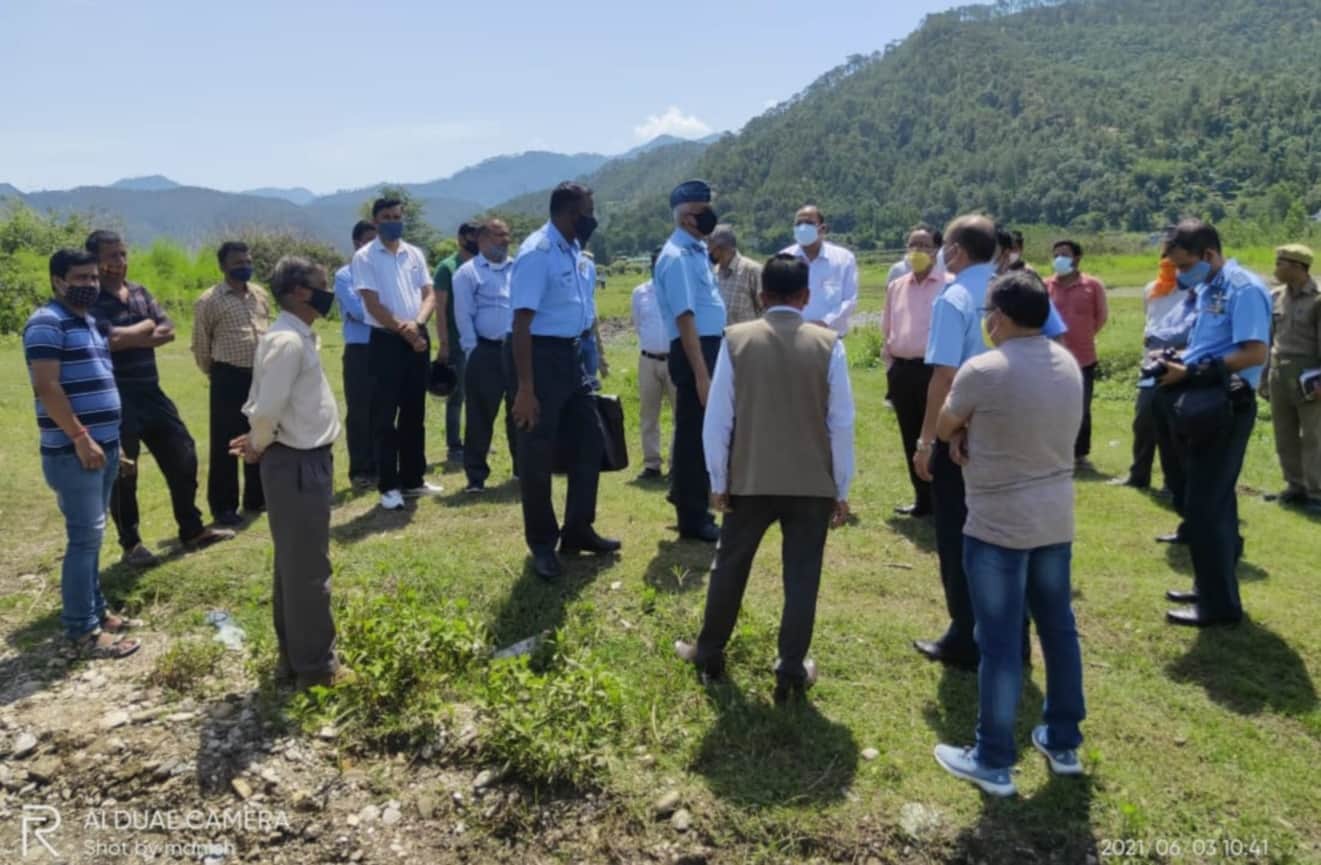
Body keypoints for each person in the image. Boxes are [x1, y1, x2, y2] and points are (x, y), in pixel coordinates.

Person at [931, 269, 1086, 797]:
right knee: (1059, 629)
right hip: (1055, 518)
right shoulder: (1067, 363)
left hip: (997, 523)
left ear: (997, 316)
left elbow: (947, 423)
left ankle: (993, 758)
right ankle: (1063, 740)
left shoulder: (984, 368)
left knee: (997, 643)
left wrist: (963, 434)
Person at [674, 254, 853, 703]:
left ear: (761, 295)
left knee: (729, 566)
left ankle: (709, 652)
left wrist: (718, 480)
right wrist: (842, 488)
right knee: (802, 576)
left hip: (750, 479)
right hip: (812, 484)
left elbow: (718, 420)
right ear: (806, 296)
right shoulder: (829, 344)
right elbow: (841, 424)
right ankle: (791, 668)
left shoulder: (736, 340)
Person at [911, 215, 1067, 670]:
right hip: (1023, 430)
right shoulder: (1018, 289)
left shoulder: (954, 297)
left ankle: (967, 636)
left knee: (961, 536)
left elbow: (944, 376)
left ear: (955, 252)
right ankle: (1014, 637)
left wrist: (927, 440)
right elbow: (1056, 345)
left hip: (965, 438)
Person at [230, 256, 352, 691]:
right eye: (322, 284)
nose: (329, 293)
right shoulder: (288, 342)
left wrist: (259, 438)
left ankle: (295, 659)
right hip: (298, 463)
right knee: (308, 570)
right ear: (300, 291)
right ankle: (318, 669)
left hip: (301, 459)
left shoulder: (296, 336)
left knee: (294, 565)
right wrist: (258, 442)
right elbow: (267, 409)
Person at [86, 230, 232, 564]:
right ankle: (132, 544)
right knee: (125, 471)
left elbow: (168, 330)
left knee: (183, 454)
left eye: (123, 254)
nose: (119, 262)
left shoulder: (139, 292)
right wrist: (144, 329)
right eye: (111, 256)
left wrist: (130, 336)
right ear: (95, 260)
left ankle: (192, 529)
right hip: (115, 396)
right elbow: (108, 341)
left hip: (151, 391)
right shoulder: (90, 300)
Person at [1153, 219, 1271, 628]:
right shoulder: (1209, 287)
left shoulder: (1243, 288)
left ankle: (1220, 605)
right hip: (1203, 403)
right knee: (1213, 504)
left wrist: (1194, 371)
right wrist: (1181, 359)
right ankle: (1210, 588)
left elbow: (1254, 353)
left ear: (1208, 254)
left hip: (1226, 406)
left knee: (1205, 508)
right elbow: (1210, 343)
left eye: (1185, 265)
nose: (1181, 274)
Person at [25, 249, 139, 659]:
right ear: (58, 280)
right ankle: (81, 630)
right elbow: (47, 387)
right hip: (74, 451)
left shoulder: (89, 322)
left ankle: (97, 611)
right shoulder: (46, 323)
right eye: (80, 278)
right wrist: (79, 436)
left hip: (101, 447)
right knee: (85, 538)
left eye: (93, 277)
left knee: (93, 536)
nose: (90, 284)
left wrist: (112, 443)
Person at [509, 182, 620, 579]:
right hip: (540, 357)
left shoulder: (573, 251)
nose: (593, 218)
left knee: (589, 442)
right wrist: (525, 389)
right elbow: (521, 324)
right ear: (572, 213)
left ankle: (578, 529)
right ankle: (542, 543)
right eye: (589, 211)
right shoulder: (537, 253)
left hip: (572, 356)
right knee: (537, 453)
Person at [351, 197, 442, 510]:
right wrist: (405, 330)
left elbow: (429, 294)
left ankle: (413, 479)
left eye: (397, 216)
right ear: (376, 222)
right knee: (385, 416)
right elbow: (372, 303)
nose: (394, 222)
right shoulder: (365, 257)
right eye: (387, 217)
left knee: (414, 413)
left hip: (417, 336)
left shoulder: (413, 253)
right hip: (386, 341)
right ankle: (389, 486)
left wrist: (418, 324)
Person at [655, 179, 728, 542]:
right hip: (695, 350)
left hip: (709, 346)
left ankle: (691, 503)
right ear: (686, 217)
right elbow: (685, 317)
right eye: (703, 210)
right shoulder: (677, 257)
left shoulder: (696, 251)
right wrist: (701, 374)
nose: (710, 216)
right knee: (694, 435)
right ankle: (693, 516)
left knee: (699, 431)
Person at [192, 241, 269, 525]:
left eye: (247, 261)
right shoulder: (209, 300)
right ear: (223, 266)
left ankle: (257, 497)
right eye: (238, 263)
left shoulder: (259, 294)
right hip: (228, 376)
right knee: (226, 442)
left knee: (259, 433)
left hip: (260, 375)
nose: (244, 267)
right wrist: (215, 373)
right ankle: (224, 507)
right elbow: (201, 344)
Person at [1111, 247, 1194, 491]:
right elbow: (1149, 321)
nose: (1168, 267)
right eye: (1164, 261)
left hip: (1177, 366)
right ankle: (1138, 475)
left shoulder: (1191, 292)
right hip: (1149, 366)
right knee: (1143, 422)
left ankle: (1172, 482)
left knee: (1173, 427)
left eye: (1173, 263)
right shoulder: (1151, 290)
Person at [883, 224, 945, 518]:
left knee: (937, 435)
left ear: (937, 250)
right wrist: (890, 367)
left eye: (924, 245)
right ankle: (923, 499)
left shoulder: (948, 285)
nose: (917, 251)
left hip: (935, 371)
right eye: (912, 245)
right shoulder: (896, 286)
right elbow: (888, 327)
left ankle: (943, 499)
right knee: (910, 434)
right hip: (902, 370)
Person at [452, 218, 516, 493]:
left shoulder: (518, 268)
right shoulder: (467, 273)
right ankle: (476, 477)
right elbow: (463, 315)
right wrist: (473, 349)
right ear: (482, 240)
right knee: (480, 416)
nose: (505, 240)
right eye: (499, 235)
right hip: (485, 351)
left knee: (521, 412)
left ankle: (523, 469)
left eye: (507, 235)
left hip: (517, 350)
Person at [1264, 244, 1321, 512]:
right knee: (1283, 431)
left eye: (1281, 263)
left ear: (1298, 267)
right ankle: (1295, 485)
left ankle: (1316, 492)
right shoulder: (1276, 296)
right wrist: (1264, 376)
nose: (1276, 268)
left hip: (1309, 373)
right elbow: (1269, 339)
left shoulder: (1318, 300)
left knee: (1313, 434)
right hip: (1279, 371)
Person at [1045, 240, 1108, 471]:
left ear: (1077, 258)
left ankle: (1080, 455)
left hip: (1083, 357)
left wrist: (1084, 335)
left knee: (1081, 407)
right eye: (1056, 255)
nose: (1059, 259)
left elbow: (1101, 317)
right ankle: (1054, 452)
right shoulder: (1046, 286)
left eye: (1064, 254)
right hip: (1051, 357)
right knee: (1052, 406)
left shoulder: (1092, 285)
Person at [332, 220, 379, 488]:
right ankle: (360, 470)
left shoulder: (384, 273)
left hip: (385, 347)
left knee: (383, 409)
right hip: (360, 350)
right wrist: (384, 311)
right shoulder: (344, 276)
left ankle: (381, 465)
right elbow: (359, 311)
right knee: (360, 411)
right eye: (369, 240)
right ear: (357, 243)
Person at [433, 221, 480, 464]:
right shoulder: (447, 268)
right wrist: (444, 343)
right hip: (456, 341)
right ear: (461, 238)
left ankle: (476, 441)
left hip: (480, 341)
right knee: (457, 394)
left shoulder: (481, 265)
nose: (476, 241)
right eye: (472, 236)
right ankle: (454, 446)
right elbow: (440, 309)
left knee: (478, 394)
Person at [631, 249, 676, 481]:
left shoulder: (680, 291)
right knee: (649, 414)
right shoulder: (640, 292)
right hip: (648, 360)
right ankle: (652, 464)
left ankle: (676, 463)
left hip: (675, 359)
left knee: (681, 414)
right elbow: (638, 324)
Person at [782, 205, 858, 335]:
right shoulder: (783, 258)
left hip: (830, 338)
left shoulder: (844, 259)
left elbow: (850, 300)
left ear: (823, 229)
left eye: (808, 223)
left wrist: (824, 322)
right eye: (799, 223)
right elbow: (777, 299)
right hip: (792, 336)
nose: (803, 227)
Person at [708, 223, 763, 325]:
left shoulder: (752, 270)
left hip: (746, 334)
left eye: (709, 246)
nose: (707, 250)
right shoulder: (712, 273)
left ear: (720, 248)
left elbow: (765, 309)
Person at [578, 251, 610, 386]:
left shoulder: (589, 267)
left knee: (593, 349)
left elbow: (590, 296)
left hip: (589, 322)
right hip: (578, 327)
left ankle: (600, 371)